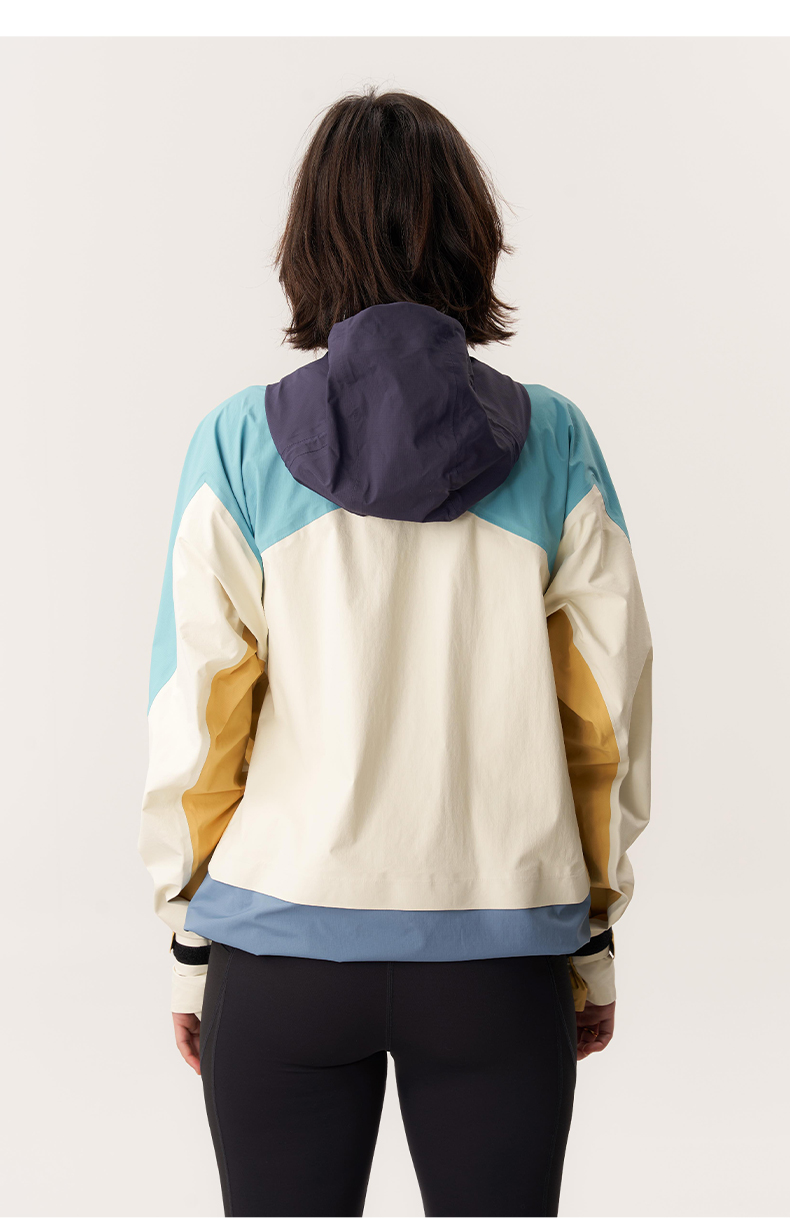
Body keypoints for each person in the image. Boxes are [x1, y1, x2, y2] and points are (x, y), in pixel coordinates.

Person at [138, 86, 652, 1218]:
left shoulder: (239, 443)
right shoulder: (555, 442)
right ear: (473, 236)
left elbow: (197, 720)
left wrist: (188, 939)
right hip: (500, 955)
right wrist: (591, 941)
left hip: (278, 953)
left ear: (307, 244)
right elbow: (604, 719)